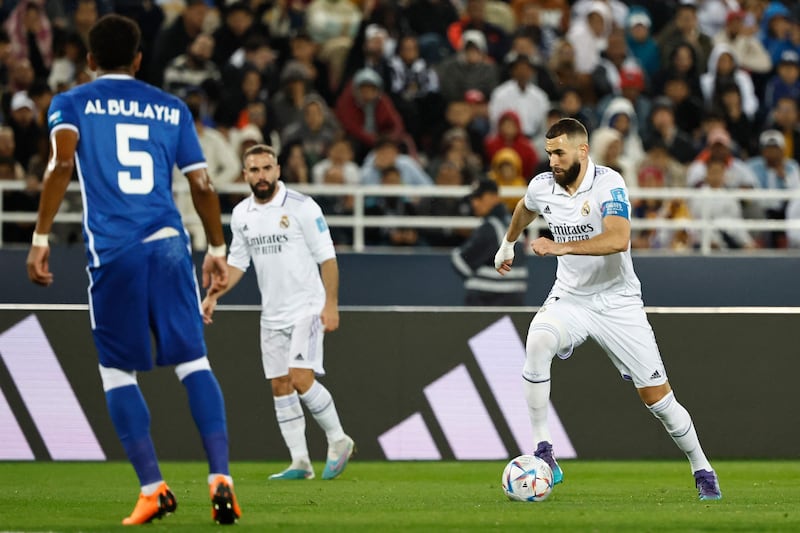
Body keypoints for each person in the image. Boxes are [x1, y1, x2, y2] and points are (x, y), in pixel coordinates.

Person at [25, 15, 241, 525]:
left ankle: (153, 488)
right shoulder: (171, 108)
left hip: (115, 251)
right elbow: (204, 185)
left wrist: (39, 238)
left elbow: (59, 166)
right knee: (194, 363)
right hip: (170, 244)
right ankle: (221, 477)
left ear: (91, 60)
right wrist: (216, 246)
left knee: (116, 369)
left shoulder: (71, 102)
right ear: (140, 60)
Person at [493, 117, 722, 500]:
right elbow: (525, 207)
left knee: (661, 403)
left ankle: (702, 468)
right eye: (549, 153)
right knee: (537, 341)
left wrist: (561, 247)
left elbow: (618, 238)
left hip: (619, 303)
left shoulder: (609, 183)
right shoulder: (543, 186)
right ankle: (544, 451)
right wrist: (508, 243)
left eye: (560, 153)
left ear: (582, 151)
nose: (553, 161)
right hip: (572, 298)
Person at [202, 144, 355, 481]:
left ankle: (338, 438)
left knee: (300, 377)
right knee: (280, 385)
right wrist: (215, 295)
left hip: (307, 308)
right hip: (271, 314)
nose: (261, 176)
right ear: (245, 175)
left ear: (278, 170)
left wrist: (330, 304)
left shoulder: (302, 207)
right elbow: (238, 264)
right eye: (254, 170)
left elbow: (327, 258)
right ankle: (300, 462)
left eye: (266, 168)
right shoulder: (242, 214)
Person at [452, 178, 527, 305]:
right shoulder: (513, 223)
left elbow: (460, 263)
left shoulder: (491, 227)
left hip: (488, 305)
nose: (474, 203)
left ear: (494, 197)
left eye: (479, 198)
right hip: (513, 304)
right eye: (473, 198)